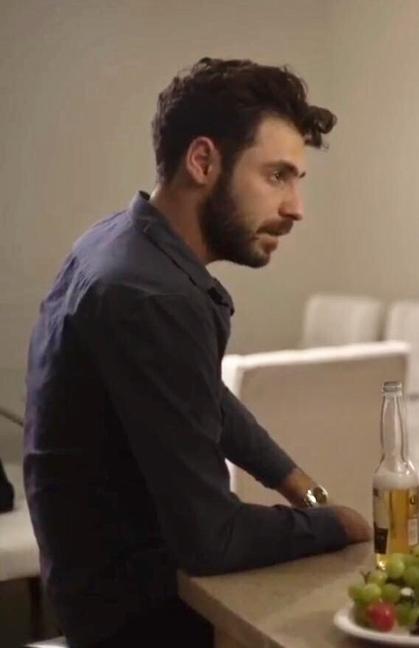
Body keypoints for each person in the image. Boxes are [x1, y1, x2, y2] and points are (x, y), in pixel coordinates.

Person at [23, 58, 372, 647]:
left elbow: (197, 391)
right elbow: (210, 541)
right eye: (277, 176)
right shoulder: (154, 297)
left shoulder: (120, 242)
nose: (296, 208)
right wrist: (334, 523)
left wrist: (299, 485)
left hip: (93, 593)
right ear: (203, 161)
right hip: (140, 619)